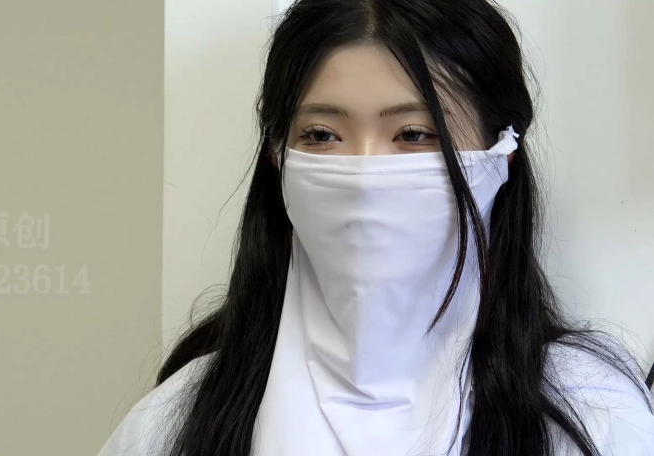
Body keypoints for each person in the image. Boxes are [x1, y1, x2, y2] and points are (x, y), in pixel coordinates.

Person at [96, 0, 654, 454]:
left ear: (501, 154)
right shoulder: (174, 420)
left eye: (415, 134)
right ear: (277, 155)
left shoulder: (592, 412)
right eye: (321, 135)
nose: (363, 174)